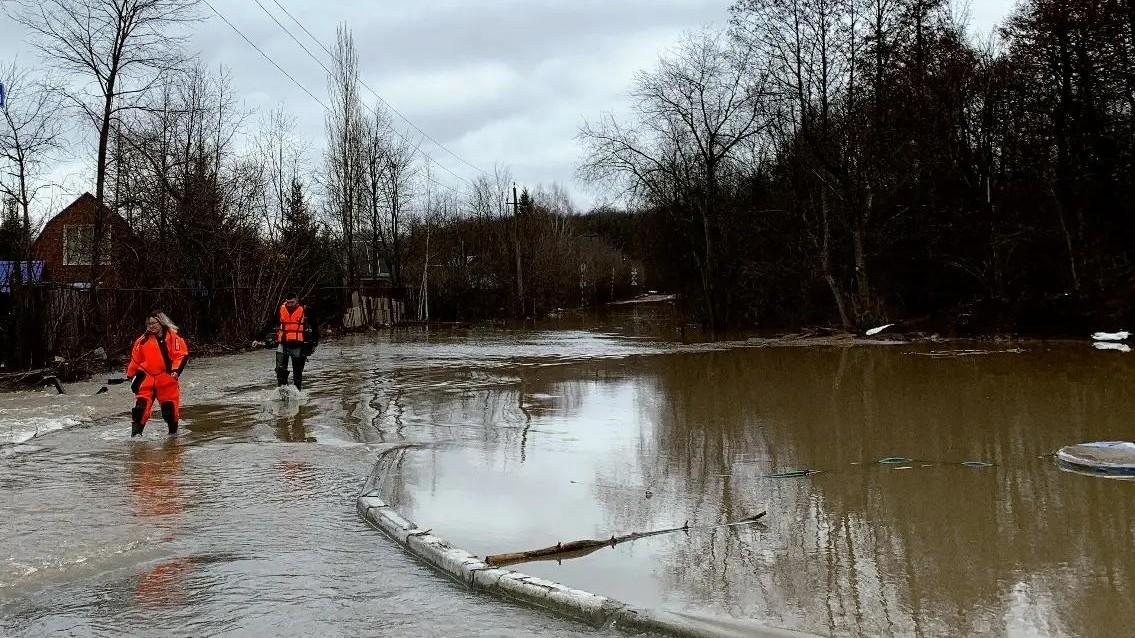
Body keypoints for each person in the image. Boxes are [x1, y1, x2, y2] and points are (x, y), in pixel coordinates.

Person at [126, 311, 189, 437]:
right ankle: (135, 438)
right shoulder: (142, 341)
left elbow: (180, 355)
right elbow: (135, 359)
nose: (151, 326)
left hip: (166, 378)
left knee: (170, 411)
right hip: (145, 377)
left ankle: (173, 438)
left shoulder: (173, 337)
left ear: (161, 322)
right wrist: (130, 375)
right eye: (148, 324)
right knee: (140, 409)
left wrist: (176, 370)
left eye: (153, 323)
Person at [273, 292, 318, 391]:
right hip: (283, 343)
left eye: (292, 302)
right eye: (288, 302)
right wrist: (258, 338)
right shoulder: (281, 310)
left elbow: (314, 326)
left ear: (296, 301)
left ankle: (297, 393)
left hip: (298, 345)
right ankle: (282, 392)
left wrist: (315, 342)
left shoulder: (305, 311)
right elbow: (271, 322)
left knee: (297, 373)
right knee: (280, 371)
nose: (290, 305)